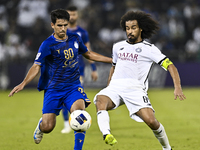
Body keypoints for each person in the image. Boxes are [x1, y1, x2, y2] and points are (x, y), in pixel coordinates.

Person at [8, 9, 112, 150]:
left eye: (65, 25)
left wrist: (111, 60)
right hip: (53, 89)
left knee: (79, 115)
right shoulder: (47, 44)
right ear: (52, 25)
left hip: (73, 86)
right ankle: (41, 125)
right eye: (59, 25)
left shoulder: (75, 38)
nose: (63, 28)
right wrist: (23, 83)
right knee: (48, 127)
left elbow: (88, 54)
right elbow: (36, 66)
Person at [94, 10, 186, 150]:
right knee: (100, 100)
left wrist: (177, 86)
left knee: (151, 122)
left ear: (141, 29)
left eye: (133, 28)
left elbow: (171, 66)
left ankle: (167, 148)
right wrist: (109, 86)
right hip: (115, 87)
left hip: (135, 89)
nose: (130, 31)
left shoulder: (149, 49)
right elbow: (114, 66)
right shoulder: (118, 46)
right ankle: (106, 134)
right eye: (127, 28)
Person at [60, 6, 98, 134]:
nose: (72, 17)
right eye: (69, 14)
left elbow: (88, 51)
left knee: (76, 98)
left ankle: (78, 123)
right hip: (62, 71)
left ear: (77, 16)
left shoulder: (83, 32)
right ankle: (67, 124)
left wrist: (93, 68)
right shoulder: (61, 31)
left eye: (74, 14)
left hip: (78, 71)